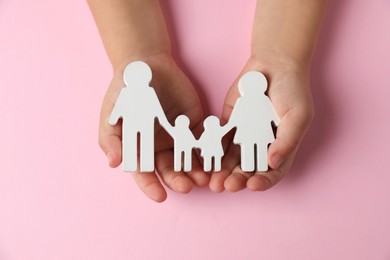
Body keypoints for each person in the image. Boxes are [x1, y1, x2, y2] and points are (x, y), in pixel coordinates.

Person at [88, 0, 327, 202]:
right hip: (146, 124)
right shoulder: (138, 92)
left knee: (252, 152)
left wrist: (282, 57)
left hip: (254, 131)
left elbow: (158, 113)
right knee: (139, 143)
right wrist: (137, 53)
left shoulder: (145, 93)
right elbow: (146, 112)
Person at [109, 61, 171, 172]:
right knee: (135, 142)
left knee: (137, 141)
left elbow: (156, 108)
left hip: (138, 122)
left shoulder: (144, 91)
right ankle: (134, 164)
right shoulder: (132, 91)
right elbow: (120, 106)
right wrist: (164, 122)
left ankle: (140, 164)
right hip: (140, 122)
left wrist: (114, 118)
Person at [226, 71, 281, 172]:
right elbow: (273, 117)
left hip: (249, 131)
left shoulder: (246, 101)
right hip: (259, 131)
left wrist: (225, 128)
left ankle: (251, 165)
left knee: (251, 148)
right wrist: (279, 123)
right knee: (255, 147)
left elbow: (235, 119)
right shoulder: (263, 100)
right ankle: (255, 165)